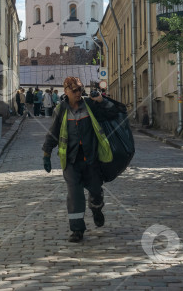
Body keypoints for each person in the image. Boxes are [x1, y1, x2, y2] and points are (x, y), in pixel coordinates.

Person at [42, 76, 124, 242]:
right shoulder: (61, 109)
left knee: (95, 191)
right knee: (75, 194)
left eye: (80, 89)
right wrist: (46, 153)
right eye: (74, 90)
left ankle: (96, 208)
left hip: (91, 158)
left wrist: (101, 100)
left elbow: (114, 112)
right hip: (71, 160)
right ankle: (77, 230)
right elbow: (53, 132)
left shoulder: (90, 105)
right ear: (66, 91)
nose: (78, 93)